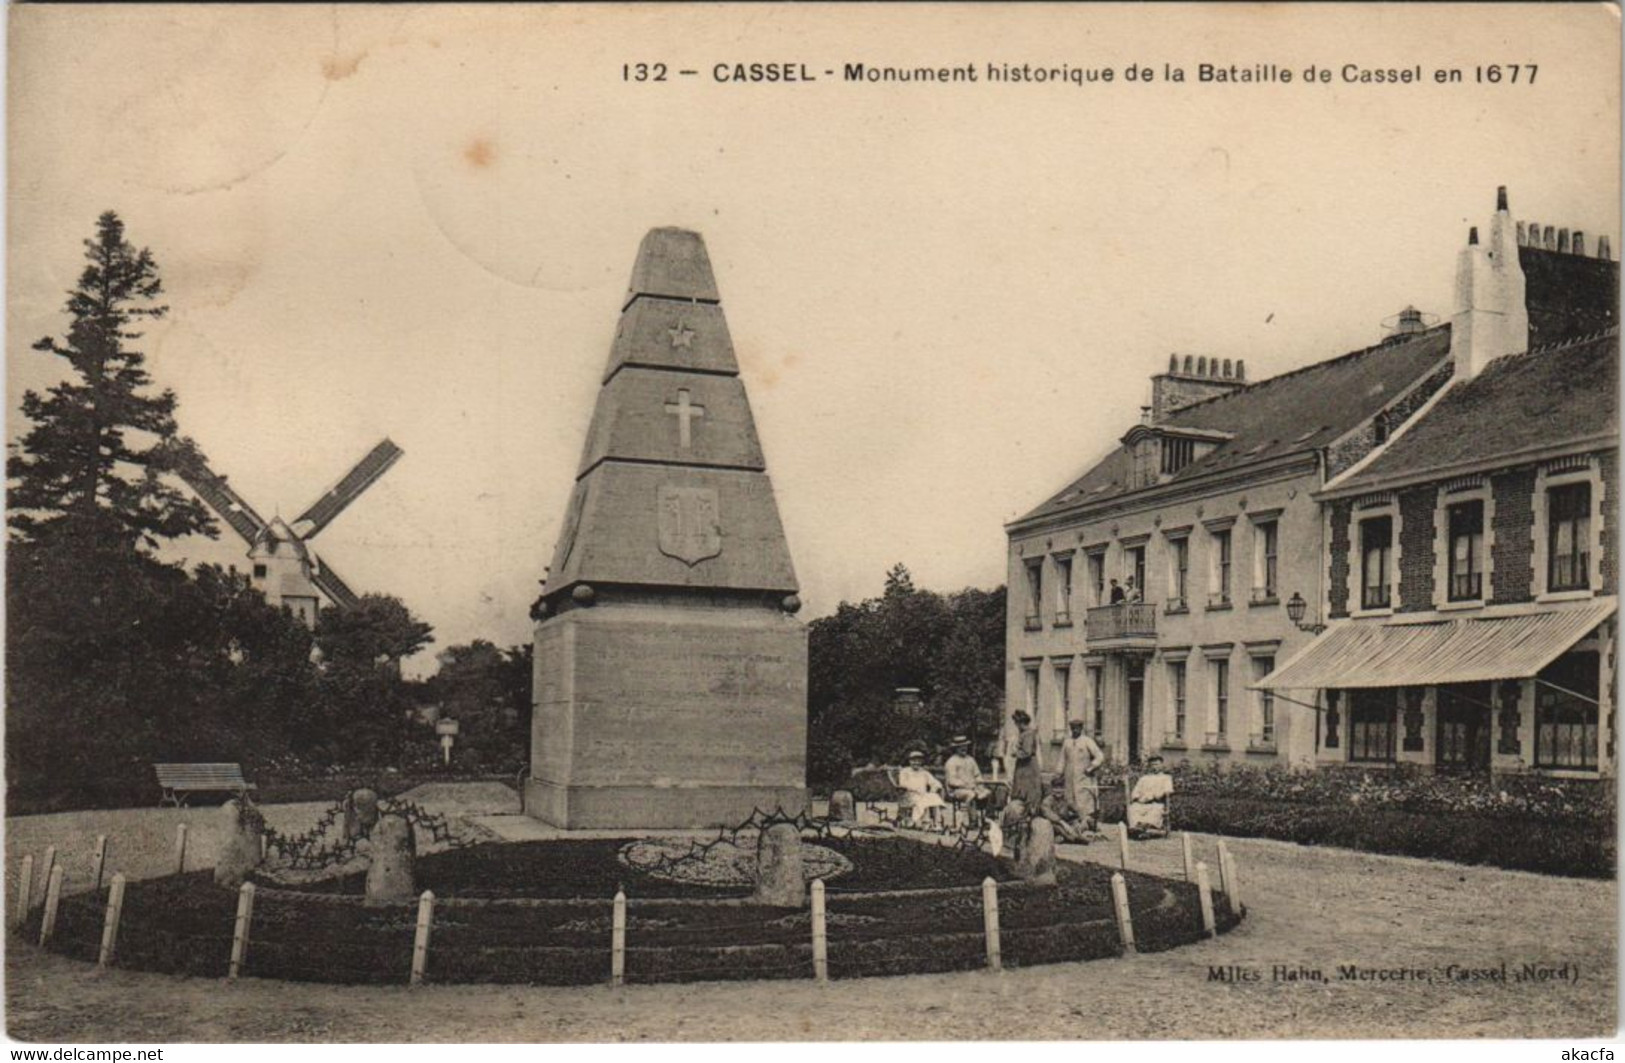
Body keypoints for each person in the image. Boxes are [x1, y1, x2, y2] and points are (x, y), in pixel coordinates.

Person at [1061, 718, 1106, 832]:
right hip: (1069, 775)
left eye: (1077, 728)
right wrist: (1059, 773)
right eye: (1073, 728)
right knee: (1070, 798)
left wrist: (1091, 767)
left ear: (1081, 729)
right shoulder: (1067, 742)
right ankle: (1075, 823)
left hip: (1084, 775)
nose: (1075, 731)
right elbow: (1062, 759)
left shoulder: (1087, 741)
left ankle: (1087, 823)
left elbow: (1099, 756)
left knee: (1084, 799)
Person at [943, 735, 990, 822]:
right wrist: (967, 785)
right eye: (961, 747)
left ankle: (986, 820)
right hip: (957, 790)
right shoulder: (951, 762)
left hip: (973, 787)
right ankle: (972, 820)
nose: (964, 748)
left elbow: (977, 775)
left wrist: (980, 783)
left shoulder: (971, 760)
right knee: (970, 794)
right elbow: (952, 781)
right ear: (956, 748)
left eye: (965, 746)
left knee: (988, 793)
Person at [1128, 754, 1174, 839]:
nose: (1154, 767)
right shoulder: (1144, 778)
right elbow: (1135, 792)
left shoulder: (1166, 778)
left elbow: (1167, 792)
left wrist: (1160, 799)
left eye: (1157, 764)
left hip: (1156, 803)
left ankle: (1145, 829)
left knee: (1155, 811)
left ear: (1161, 765)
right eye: (1152, 765)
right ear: (1149, 766)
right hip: (1142, 803)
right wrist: (1137, 798)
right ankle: (1137, 829)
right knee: (1133, 808)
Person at [897, 749, 947, 828]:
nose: (916, 763)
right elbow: (902, 784)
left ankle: (938, 824)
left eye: (918, 761)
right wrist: (915, 789)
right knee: (925, 800)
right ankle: (925, 823)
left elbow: (935, 783)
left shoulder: (924, 773)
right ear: (909, 761)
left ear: (921, 762)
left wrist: (933, 788)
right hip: (909, 795)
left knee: (934, 798)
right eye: (913, 761)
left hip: (922, 795)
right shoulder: (905, 771)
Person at [1008, 710, 1044, 810]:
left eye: (1017, 723)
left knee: (1027, 790)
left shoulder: (1028, 734)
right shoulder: (1024, 733)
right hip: (1023, 766)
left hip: (1028, 767)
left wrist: (1015, 753)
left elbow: (1027, 752)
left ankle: (1029, 811)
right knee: (1021, 789)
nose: (1016, 726)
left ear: (1021, 723)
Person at [1039, 775, 1090, 844]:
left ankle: (1069, 837)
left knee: (1077, 824)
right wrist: (1064, 824)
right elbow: (1050, 815)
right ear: (1052, 789)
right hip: (1054, 824)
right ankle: (1074, 839)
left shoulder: (1066, 799)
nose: (1058, 790)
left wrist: (1083, 819)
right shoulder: (1047, 801)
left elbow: (1076, 809)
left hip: (1066, 822)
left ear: (1064, 789)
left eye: (1061, 788)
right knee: (1059, 828)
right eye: (1056, 788)